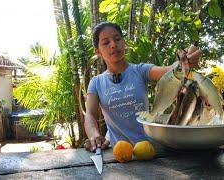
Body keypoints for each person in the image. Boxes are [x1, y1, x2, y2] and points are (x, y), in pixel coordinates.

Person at [84, 22, 202, 152]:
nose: (113, 45)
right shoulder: (96, 82)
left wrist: (185, 60)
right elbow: (90, 114)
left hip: (149, 149)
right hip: (117, 152)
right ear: (98, 51)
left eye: (117, 39)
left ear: (124, 43)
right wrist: (94, 135)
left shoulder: (140, 70)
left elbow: (170, 71)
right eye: (106, 42)